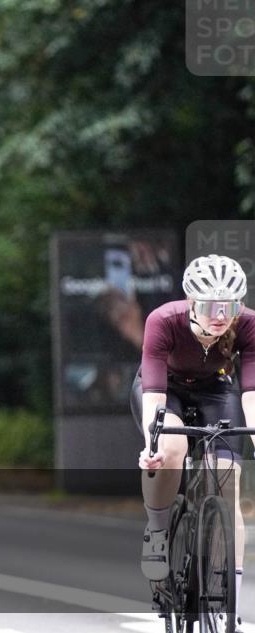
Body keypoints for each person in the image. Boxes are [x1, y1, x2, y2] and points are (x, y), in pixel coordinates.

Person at [132, 254, 254, 627]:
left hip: (215, 390)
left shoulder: (248, 324)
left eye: (229, 306)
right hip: (164, 389)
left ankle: (230, 605)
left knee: (228, 480)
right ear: (190, 301)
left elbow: (252, 395)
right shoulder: (163, 320)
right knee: (172, 449)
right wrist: (152, 445)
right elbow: (154, 393)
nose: (221, 316)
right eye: (211, 306)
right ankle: (158, 531)